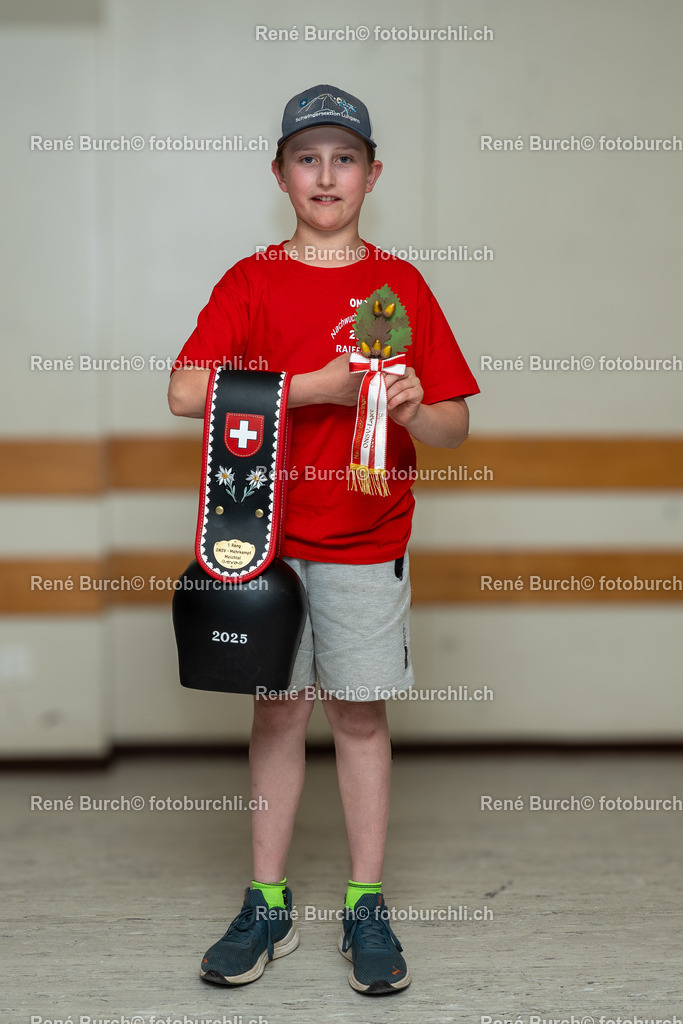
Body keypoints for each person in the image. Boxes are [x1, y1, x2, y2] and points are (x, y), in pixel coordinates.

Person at [168, 84, 479, 996]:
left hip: (365, 537)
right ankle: (267, 902)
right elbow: (187, 392)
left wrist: (418, 406)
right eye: (308, 157)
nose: (326, 173)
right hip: (260, 544)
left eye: (344, 157)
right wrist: (319, 386)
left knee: (358, 715)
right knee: (275, 715)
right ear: (280, 175)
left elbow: (457, 425)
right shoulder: (250, 280)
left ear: (373, 174)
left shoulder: (401, 286)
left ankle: (365, 904)